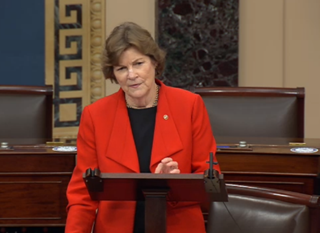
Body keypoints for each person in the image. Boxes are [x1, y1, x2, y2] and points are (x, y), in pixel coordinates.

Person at [65, 21, 220, 233]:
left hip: (176, 225)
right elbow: (83, 195)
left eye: (138, 63)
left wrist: (174, 184)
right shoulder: (95, 116)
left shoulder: (189, 106)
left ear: (154, 62)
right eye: (121, 68)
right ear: (113, 74)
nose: (131, 75)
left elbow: (210, 182)